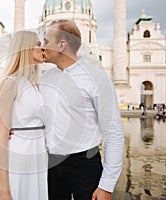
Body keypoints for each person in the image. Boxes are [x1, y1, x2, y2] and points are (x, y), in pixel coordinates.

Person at [40, 20, 124, 200]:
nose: (42, 47)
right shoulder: (46, 78)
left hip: (84, 166)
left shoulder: (97, 77)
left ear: (62, 44)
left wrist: (106, 186)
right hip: (50, 166)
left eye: (46, 41)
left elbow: (113, 132)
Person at [0, 30, 48, 200]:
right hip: (19, 159)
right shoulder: (10, 83)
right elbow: (1, 136)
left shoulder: (34, 83)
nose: (42, 47)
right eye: (38, 44)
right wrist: (4, 190)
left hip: (37, 159)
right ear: (25, 48)